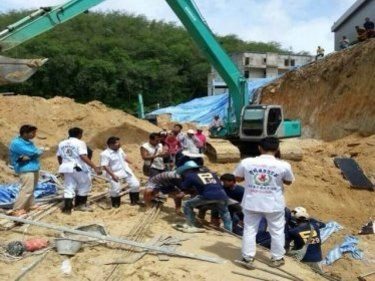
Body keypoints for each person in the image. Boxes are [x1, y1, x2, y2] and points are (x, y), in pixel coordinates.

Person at [234, 137, 295, 267]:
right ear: (277, 149)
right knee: (277, 231)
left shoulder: (247, 162)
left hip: (252, 202)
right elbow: (289, 181)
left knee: (249, 230)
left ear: (259, 148)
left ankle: (247, 258)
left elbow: (237, 178)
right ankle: (277, 258)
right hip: (274, 204)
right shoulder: (283, 165)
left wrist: (250, 178)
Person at [177, 161, 232, 231]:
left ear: (188, 170)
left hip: (208, 195)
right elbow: (218, 184)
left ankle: (190, 224)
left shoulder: (190, 176)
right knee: (225, 212)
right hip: (222, 195)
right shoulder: (211, 174)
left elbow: (184, 187)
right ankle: (229, 230)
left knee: (187, 204)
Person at [57, 127, 101, 214]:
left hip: (66, 168)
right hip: (77, 167)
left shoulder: (62, 143)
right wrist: (95, 167)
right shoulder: (80, 143)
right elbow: (83, 156)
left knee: (69, 187)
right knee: (84, 184)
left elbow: (59, 156)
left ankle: (67, 208)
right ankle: (80, 205)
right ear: (79, 134)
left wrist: (61, 166)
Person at [9, 125, 45, 216]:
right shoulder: (16, 143)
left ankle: (30, 204)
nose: (34, 135)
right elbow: (32, 152)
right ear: (25, 133)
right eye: (32, 133)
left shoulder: (29, 142)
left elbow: (34, 153)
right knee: (26, 189)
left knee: (32, 188)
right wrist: (37, 152)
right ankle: (17, 209)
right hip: (25, 168)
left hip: (33, 166)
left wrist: (35, 153)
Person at [100, 136, 141, 207]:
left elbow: (125, 157)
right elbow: (105, 166)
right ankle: (116, 205)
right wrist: (113, 175)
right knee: (116, 189)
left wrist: (133, 163)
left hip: (125, 170)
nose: (120, 145)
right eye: (117, 143)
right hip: (114, 173)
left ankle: (135, 201)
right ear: (111, 144)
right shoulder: (105, 154)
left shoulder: (119, 149)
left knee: (135, 184)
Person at [287, 207, 325, 273]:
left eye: (295, 213)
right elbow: (322, 224)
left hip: (304, 259)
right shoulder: (314, 226)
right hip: (318, 258)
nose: (293, 214)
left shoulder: (294, 231)